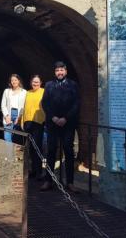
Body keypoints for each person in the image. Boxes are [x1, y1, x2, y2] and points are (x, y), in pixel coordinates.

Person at [40, 61, 80, 192]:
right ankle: (48, 180)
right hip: (53, 123)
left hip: (68, 124)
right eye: (57, 70)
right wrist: (53, 117)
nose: (60, 72)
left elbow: (76, 103)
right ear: (55, 72)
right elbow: (45, 103)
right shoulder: (49, 85)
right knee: (51, 151)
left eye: (62, 70)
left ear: (66, 71)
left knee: (68, 151)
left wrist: (65, 118)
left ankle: (70, 182)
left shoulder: (73, 85)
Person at [22, 75, 46, 179]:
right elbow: (24, 107)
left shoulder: (44, 92)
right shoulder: (28, 93)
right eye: (33, 82)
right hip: (28, 121)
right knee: (30, 147)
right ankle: (33, 169)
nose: (35, 84)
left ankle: (39, 171)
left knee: (38, 147)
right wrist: (22, 120)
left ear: (40, 83)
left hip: (39, 121)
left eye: (37, 82)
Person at [1, 74, 27, 143]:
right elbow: (3, 105)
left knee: (16, 139)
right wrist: (6, 116)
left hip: (18, 116)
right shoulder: (6, 91)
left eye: (15, 80)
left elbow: (24, 106)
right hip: (8, 115)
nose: (14, 82)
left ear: (19, 81)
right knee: (7, 138)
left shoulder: (24, 92)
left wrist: (19, 117)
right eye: (12, 80)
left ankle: (13, 153)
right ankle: (9, 153)